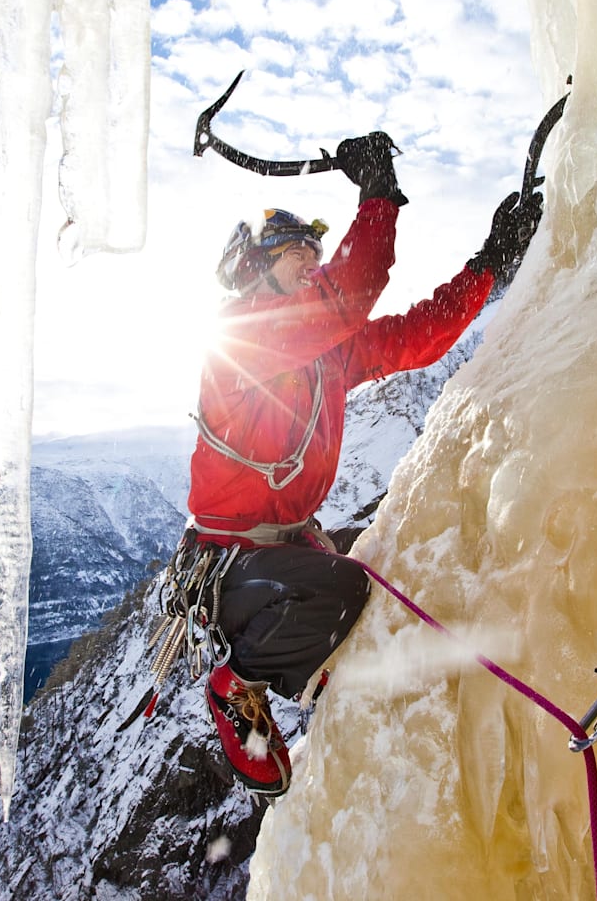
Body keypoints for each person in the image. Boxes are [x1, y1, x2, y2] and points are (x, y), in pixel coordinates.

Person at [186, 132, 543, 796]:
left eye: (314, 253)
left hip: (270, 554)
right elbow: (351, 293)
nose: (312, 261)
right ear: (259, 271)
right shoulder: (250, 338)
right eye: (297, 253)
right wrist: (376, 196)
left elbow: (414, 337)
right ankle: (238, 684)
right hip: (239, 565)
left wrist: (488, 265)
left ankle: (292, 665)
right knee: (344, 589)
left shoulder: (322, 355)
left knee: (361, 579)